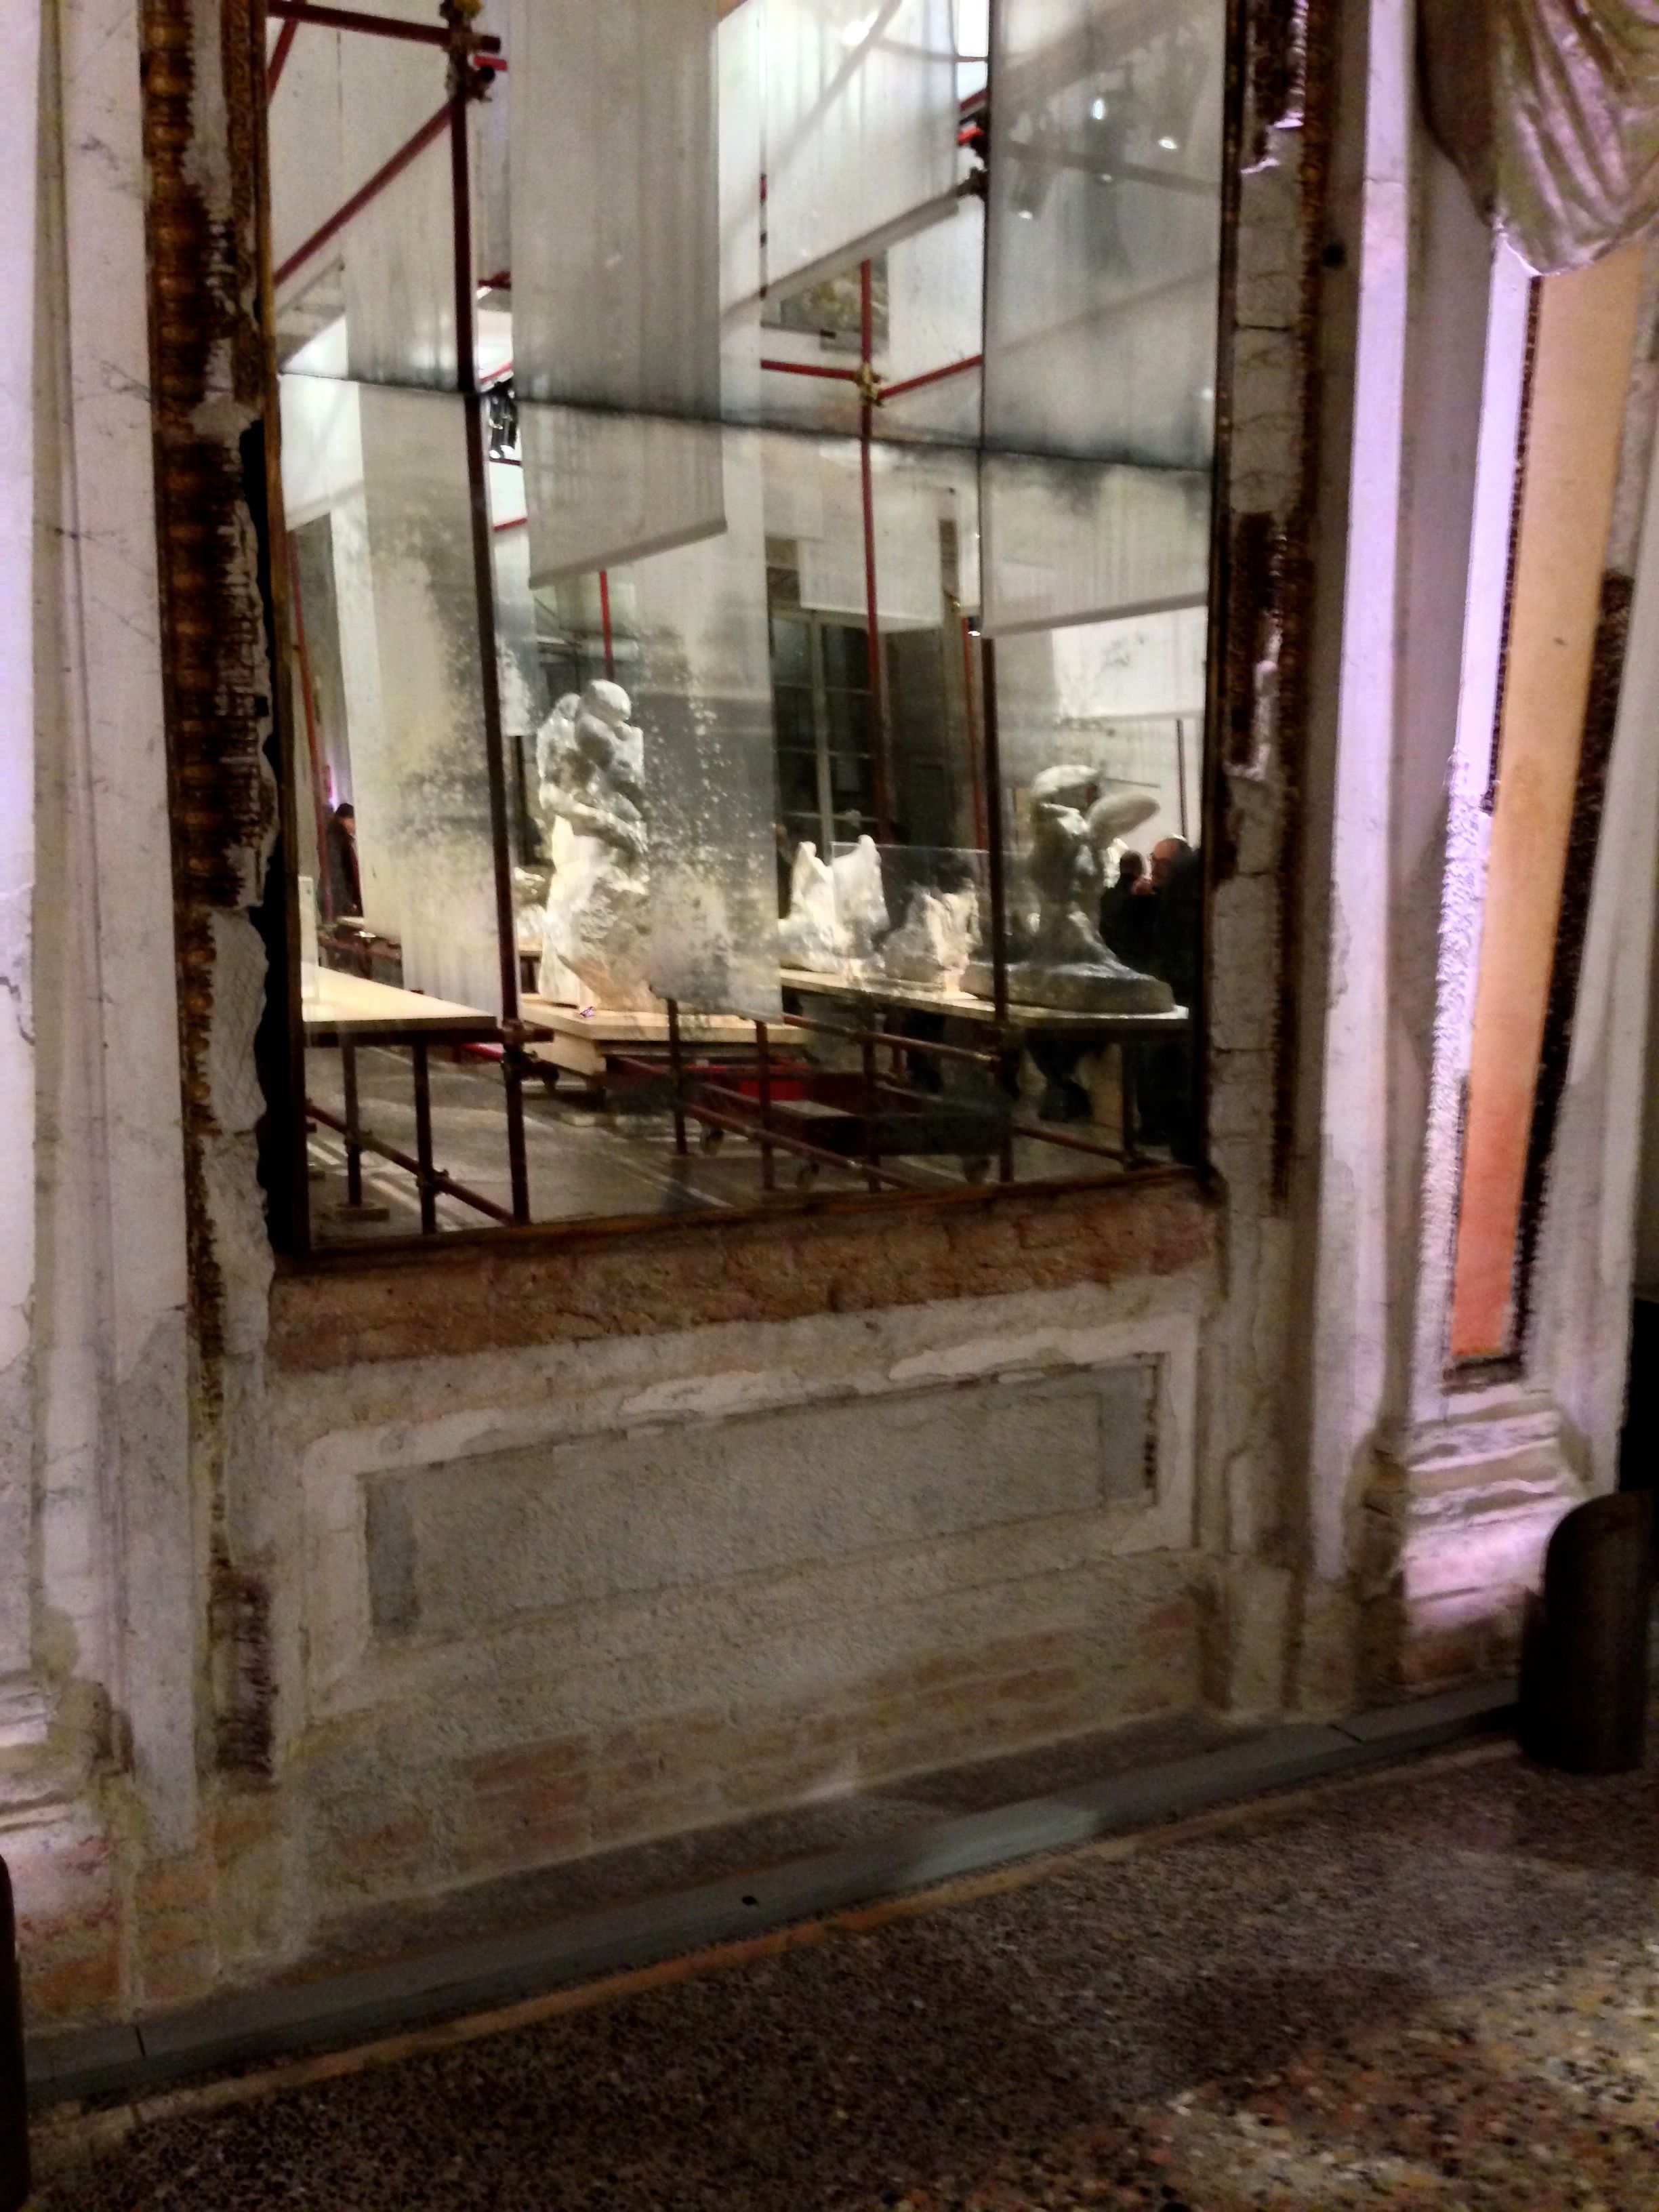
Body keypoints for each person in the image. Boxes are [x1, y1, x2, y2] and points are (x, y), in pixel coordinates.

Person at [324, 800, 361, 918]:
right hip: (342, 903)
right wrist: (347, 902)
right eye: (352, 822)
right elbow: (337, 873)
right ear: (341, 819)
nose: (354, 827)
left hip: (344, 900)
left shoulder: (342, 840)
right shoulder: (335, 840)